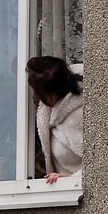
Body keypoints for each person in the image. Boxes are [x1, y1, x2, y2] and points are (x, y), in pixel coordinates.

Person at [25, 56, 84, 184]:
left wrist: (69, 180)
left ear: (49, 93)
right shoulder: (51, 113)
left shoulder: (77, 118)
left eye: (37, 92)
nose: (36, 98)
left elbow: (101, 164)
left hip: (77, 193)